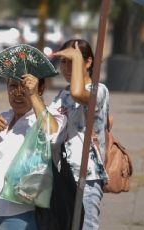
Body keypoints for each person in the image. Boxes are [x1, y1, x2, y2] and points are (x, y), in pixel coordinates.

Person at [0, 74, 64, 230]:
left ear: (40, 89)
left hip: (22, 213)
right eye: (13, 86)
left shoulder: (50, 118)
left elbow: (53, 134)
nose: (19, 92)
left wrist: (33, 94)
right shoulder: (1, 119)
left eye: (26, 87)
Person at [49, 39, 109, 230]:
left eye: (72, 61)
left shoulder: (99, 90)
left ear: (88, 62)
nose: (66, 67)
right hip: (63, 174)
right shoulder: (62, 95)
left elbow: (78, 93)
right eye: (64, 62)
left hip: (88, 177)